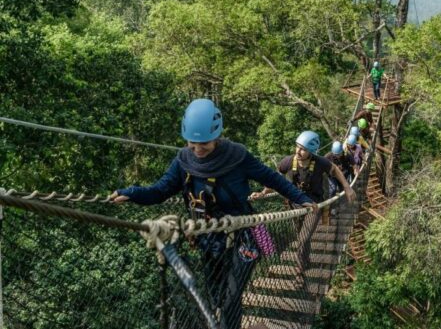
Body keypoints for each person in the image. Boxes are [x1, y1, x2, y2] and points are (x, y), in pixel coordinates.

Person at [110, 99, 316, 329]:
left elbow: (273, 179)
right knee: (217, 297)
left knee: (230, 299)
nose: (197, 150)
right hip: (208, 238)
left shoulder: (238, 157)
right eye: (192, 143)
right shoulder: (183, 161)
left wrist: (303, 199)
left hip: (242, 234)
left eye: (204, 144)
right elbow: (159, 191)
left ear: (217, 136)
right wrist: (132, 193)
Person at [252, 131, 356, 283]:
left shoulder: (320, 162)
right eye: (297, 147)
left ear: (311, 152)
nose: (298, 151)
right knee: (302, 238)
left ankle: (299, 273)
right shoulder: (288, 162)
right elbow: (274, 179)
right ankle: (305, 260)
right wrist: (263, 193)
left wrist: (347, 187)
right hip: (295, 206)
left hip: (314, 206)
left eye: (303, 149)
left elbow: (335, 170)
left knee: (303, 238)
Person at [325, 141, 355, 217]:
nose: (338, 156)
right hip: (332, 177)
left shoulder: (346, 155)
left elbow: (354, 163)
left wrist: (356, 170)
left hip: (343, 177)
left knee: (343, 191)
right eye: (336, 154)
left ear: (342, 152)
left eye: (339, 154)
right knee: (333, 190)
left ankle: (342, 207)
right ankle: (330, 208)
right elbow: (321, 164)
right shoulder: (328, 156)